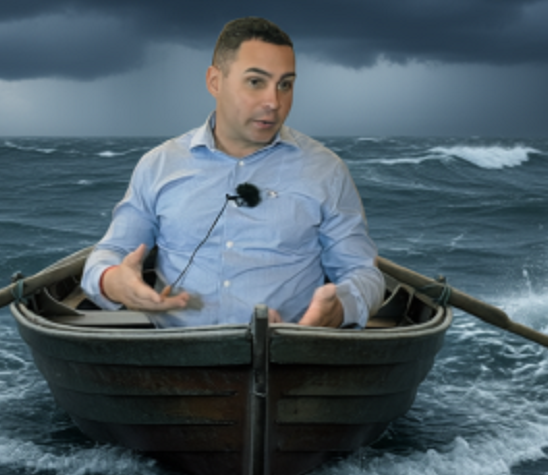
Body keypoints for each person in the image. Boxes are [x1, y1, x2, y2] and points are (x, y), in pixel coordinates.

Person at [81, 17, 385, 328]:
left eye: (285, 85)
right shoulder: (158, 165)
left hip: (290, 361)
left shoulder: (327, 171)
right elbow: (110, 253)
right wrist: (114, 280)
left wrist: (337, 312)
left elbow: (363, 273)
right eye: (256, 82)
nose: (274, 102)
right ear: (215, 81)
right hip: (175, 359)